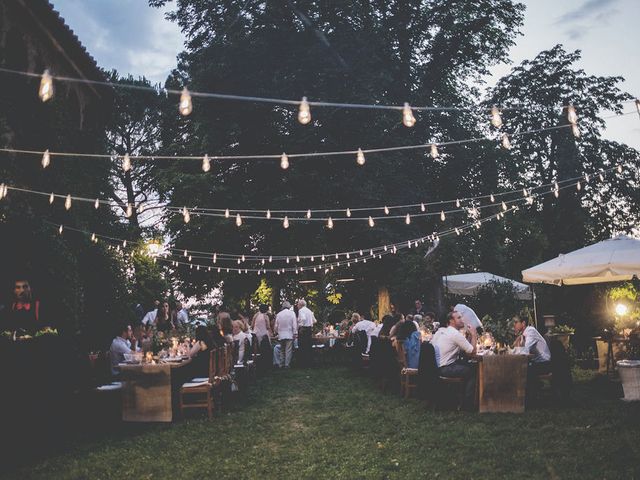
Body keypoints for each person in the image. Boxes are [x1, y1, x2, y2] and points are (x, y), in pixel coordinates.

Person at [431, 310, 477, 410]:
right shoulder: (455, 334)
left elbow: (466, 350)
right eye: (459, 318)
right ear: (451, 321)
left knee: (471, 364)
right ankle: (467, 405)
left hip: (436, 366)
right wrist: (474, 335)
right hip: (444, 368)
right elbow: (472, 353)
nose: (462, 320)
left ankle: (460, 397)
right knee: (473, 370)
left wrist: (468, 336)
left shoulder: (445, 331)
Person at [513, 315, 552, 393]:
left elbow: (525, 351)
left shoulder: (530, 331)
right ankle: (528, 391)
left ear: (523, 323)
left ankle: (531, 393)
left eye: (516, 322)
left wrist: (517, 345)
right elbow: (517, 349)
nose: (514, 325)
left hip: (544, 364)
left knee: (522, 369)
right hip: (537, 362)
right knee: (519, 368)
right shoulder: (524, 334)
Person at [275, 301, 297, 368]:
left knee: (282, 349)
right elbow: (294, 324)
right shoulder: (292, 313)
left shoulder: (279, 314)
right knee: (288, 350)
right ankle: (287, 364)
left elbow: (276, 325)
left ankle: (281, 363)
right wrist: (295, 333)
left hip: (281, 334)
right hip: (289, 333)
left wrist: (276, 332)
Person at [297, 299, 316, 367]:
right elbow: (314, 321)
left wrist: (301, 327)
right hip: (309, 330)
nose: (297, 306)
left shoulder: (301, 310)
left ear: (301, 305)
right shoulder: (309, 311)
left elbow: (303, 319)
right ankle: (309, 363)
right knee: (308, 346)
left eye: (298, 304)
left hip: (303, 330)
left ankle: (302, 363)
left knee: (302, 347)